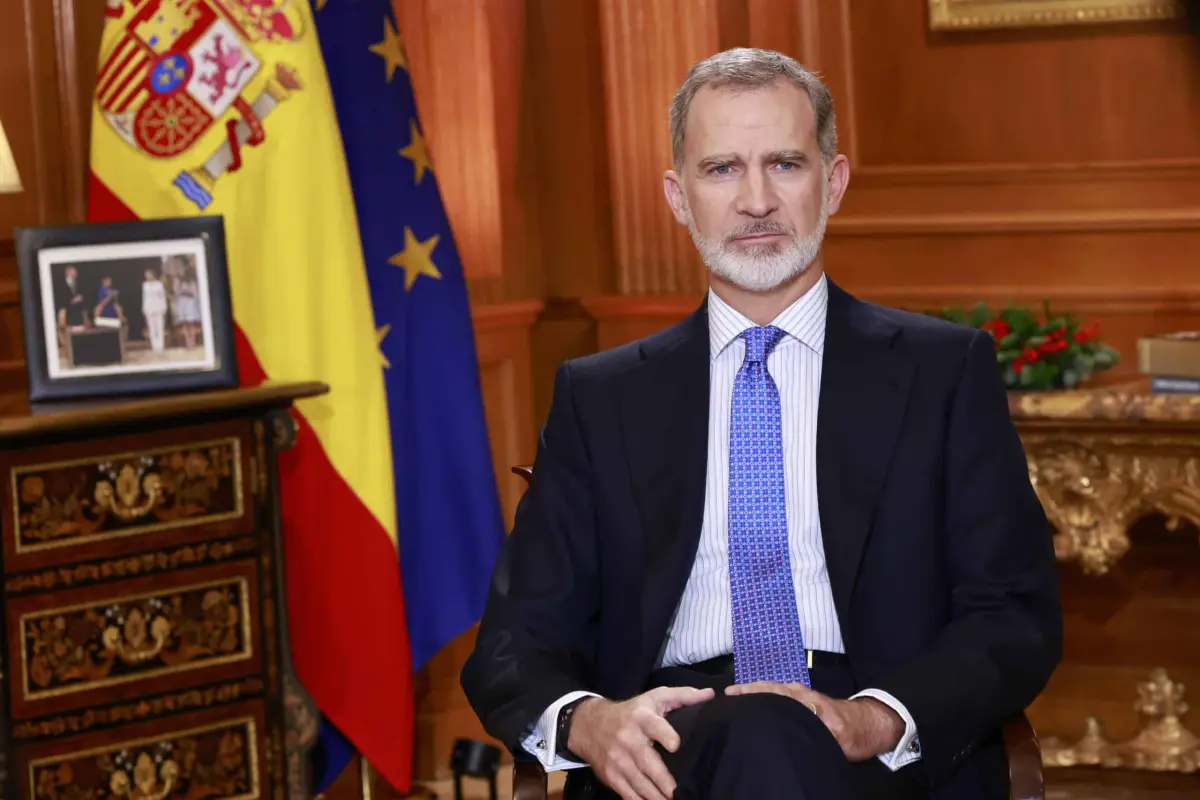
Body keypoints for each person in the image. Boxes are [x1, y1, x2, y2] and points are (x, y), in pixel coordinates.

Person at [461, 48, 1062, 800]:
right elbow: (513, 644)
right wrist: (589, 724)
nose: (755, 201)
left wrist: (878, 719)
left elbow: (1013, 614)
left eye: (784, 164)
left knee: (778, 735)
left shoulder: (944, 373)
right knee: (761, 737)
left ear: (833, 183)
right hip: (668, 742)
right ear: (679, 198)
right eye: (721, 170)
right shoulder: (600, 398)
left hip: (879, 743)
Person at [142, 268, 167, 353]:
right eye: (146, 275)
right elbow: (144, 297)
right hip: (149, 307)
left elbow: (162, 296)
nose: (147, 276)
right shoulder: (145, 285)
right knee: (151, 327)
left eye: (148, 274)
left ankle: (160, 345)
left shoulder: (159, 284)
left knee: (159, 326)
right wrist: (144, 308)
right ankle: (154, 346)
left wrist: (164, 307)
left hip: (158, 307)